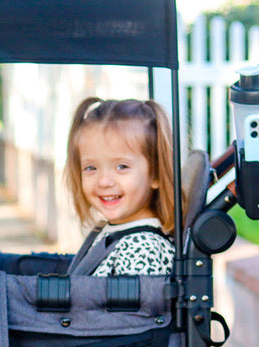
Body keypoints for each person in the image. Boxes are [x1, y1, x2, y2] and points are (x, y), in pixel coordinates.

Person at [63, 97, 181, 277]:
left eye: (122, 167)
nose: (104, 181)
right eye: (91, 168)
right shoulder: (114, 231)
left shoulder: (143, 248)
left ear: (156, 173)